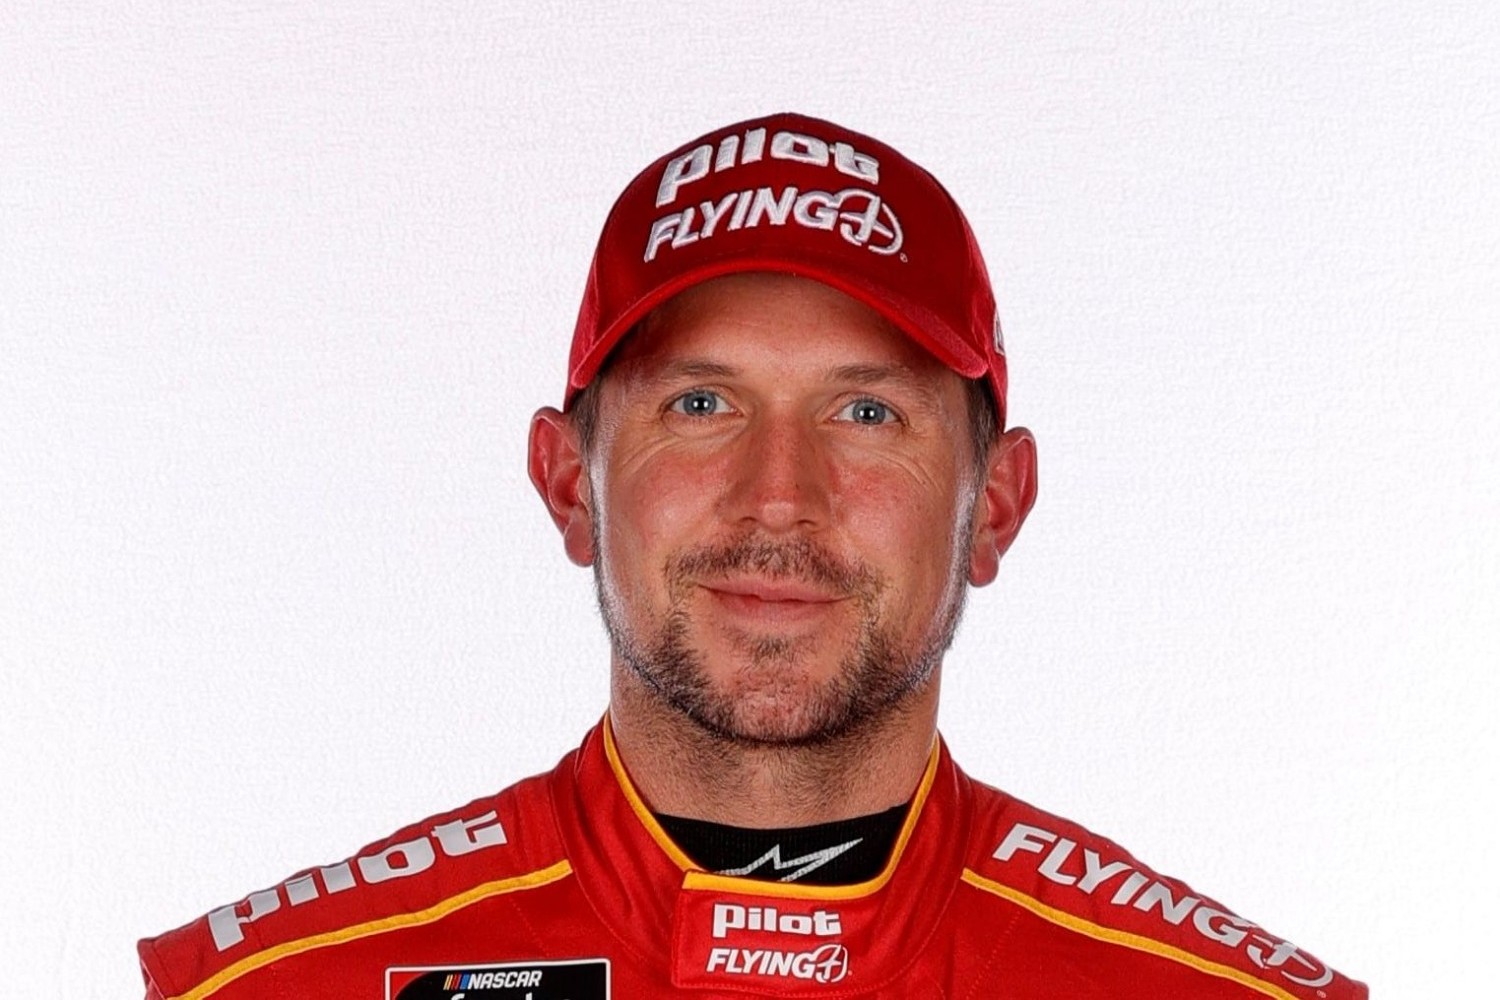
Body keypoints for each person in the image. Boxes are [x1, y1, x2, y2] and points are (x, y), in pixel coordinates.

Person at [138, 112, 1367, 1000]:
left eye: (867, 413)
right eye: (701, 406)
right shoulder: (273, 987)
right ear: (570, 484)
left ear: (994, 504)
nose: (780, 500)